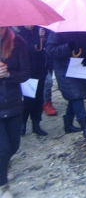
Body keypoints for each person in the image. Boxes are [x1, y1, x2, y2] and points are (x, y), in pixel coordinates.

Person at [45, 31, 86, 140]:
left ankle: (68, 123)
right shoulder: (59, 29)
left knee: (77, 94)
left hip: (81, 66)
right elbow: (50, 51)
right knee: (76, 95)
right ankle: (85, 127)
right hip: (63, 69)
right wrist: (67, 47)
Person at [0, 27, 30, 197]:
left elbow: (26, 73)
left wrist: (9, 74)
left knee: (13, 146)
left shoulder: (17, 43)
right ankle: (3, 186)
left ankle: (5, 163)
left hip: (13, 102)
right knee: (2, 149)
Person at [15, 26, 49, 136]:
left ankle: (36, 124)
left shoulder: (39, 31)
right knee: (28, 100)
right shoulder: (19, 34)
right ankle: (22, 123)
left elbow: (45, 49)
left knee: (39, 99)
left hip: (40, 69)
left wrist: (43, 38)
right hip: (27, 72)